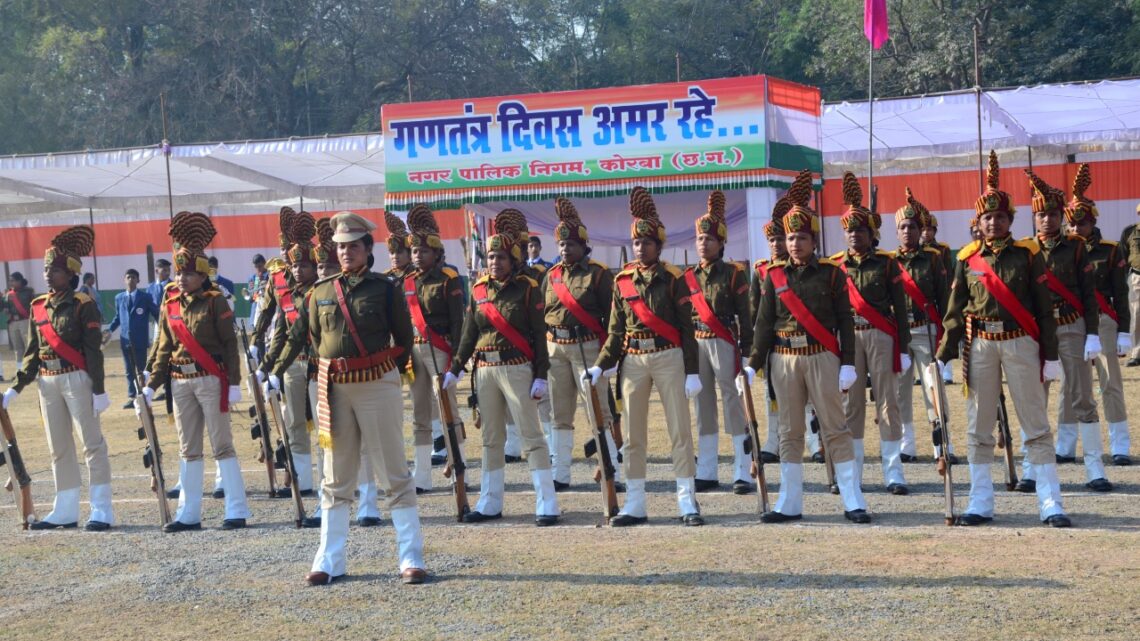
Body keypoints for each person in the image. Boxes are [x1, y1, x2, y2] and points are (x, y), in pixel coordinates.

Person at [282, 210, 425, 585]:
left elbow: (404, 340)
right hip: (335, 387)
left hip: (377, 382)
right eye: (341, 247)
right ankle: (329, 560)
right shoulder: (322, 291)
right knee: (335, 477)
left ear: (367, 249)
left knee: (394, 471)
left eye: (353, 246)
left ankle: (410, 557)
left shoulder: (385, 289)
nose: (346, 253)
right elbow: (314, 339)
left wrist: (383, 369)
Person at [936, 151, 1070, 528]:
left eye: (1000, 216)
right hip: (979, 345)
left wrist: (1051, 353)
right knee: (978, 426)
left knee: (1035, 423)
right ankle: (981, 501)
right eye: (986, 217)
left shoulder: (1028, 255)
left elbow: (1044, 308)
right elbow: (954, 310)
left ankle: (1049, 502)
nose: (993, 222)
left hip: (1021, 343)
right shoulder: (965, 258)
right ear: (977, 223)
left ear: (1010, 220)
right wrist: (944, 355)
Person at [745, 169, 870, 524]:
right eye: (790, 237)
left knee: (835, 427)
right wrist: (754, 362)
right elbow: (765, 323)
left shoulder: (832, 273)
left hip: (821, 356)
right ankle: (790, 502)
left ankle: (852, 499)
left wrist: (848, 362)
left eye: (801, 237)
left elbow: (845, 320)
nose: (795, 243)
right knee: (789, 431)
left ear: (813, 240)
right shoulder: (773, 275)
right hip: (784, 359)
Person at [587, 187, 704, 527]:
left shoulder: (673, 278)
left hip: (669, 356)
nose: (641, 247)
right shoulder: (621, 281)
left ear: (659, 245)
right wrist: (600, 365)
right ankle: (635, 503)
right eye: (637, 243)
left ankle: (687, 502)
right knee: (634, 434)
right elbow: (615, 332)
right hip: (633, 360)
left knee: (679, 431)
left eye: (647, 242)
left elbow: (687, 328)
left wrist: (692, 371)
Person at [443, 208, 560, 526]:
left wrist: (540, 375)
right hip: (485, 371)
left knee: (532, 436)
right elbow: (469, 333)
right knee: (491, 438)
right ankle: (490, 501)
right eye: (491, 256)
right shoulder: (478, 289)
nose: (495, 262)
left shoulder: (527, 288)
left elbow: (539, 334)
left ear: (513, 259)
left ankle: (546, 502)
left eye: (501, 257)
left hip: (518, 367)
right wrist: (455, 368)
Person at [143, 211, 250, 532]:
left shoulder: (216, 301)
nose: (181, 279)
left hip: (210, 380)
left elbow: (230, 345)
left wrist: (234, 382)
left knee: (222, 445)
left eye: (188, 273)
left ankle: (236, 509)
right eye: (178, 273)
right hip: (179, 382)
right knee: (188, 448)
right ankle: (188, 514)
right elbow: (162, 346)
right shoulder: (169, 303)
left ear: (202, 275)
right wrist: (151, 385)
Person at [2, 226, 114, 531]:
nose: (48, 275)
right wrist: (17, 387)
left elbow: (93, 351)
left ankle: (102, 509)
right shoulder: (38, 306)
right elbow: (32, 353)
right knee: (58, 447)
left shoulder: (82, 304)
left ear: (71, 273)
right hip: (47, 383)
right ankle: (64, 509)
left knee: (92, 444)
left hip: (77, 378)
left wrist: (99, 389)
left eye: (55, 270)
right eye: (46, 269)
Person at [1018, 169, 1105, 492]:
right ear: (1034, 216)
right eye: (1041, 214)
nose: (1047, 220)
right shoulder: (1024, 251)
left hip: (1071, 326)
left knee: (1082, 396)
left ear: (1060, 215)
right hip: (1037, 332)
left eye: (1053, 214)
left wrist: (1093, 333)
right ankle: (1032, 467)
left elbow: (1088, 294)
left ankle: (1094, 467)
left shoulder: (1077, 248)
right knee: (1033, 399)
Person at [830, 172, 912, 495]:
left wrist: (903, 347)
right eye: (849, 230)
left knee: (888, 404)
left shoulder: (887, 264)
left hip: (881, 336)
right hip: (849, 340)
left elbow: (901, 310)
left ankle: (894, 473)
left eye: (859, 230)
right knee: (852, 407)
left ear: (871, 233)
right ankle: (854, 473)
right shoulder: (837, 266)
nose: (853, 236)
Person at [541, 197, 618, 490]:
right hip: (555, 348)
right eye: (561, 244)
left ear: (584, 246)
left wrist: (610, 360)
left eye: (570, 244)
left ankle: (611, 469)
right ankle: (560, 474)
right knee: (559, 413)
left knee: (598, 410)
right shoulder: (551, 276)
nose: (564, 249)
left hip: (588, 348)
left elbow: (612, 319)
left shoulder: (597, 273)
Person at [687, 190, 754, 494]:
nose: (703, 243)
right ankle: (707, 470)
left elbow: (746, 314)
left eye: (709, 239)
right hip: (697, 340)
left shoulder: (734, 274)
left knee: (733, 403)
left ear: (722, 243)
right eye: (700, 238)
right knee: (702, 404)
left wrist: (749, 353)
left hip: (725, 340)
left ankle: (743, 470)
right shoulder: (688, 276)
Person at [1065, 167, 1132, 468]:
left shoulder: (1110, 250)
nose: (1078, 227)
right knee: (1071, 384)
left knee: (1110, 383)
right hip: (1071, 321)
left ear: (1093, 221)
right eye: (1073, 223)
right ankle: (1065, 445)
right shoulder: (1063, 252)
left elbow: (1121, 293)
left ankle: (1120, 445)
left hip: (1104, 322)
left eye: (1083, 222)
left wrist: (1125, 331)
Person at [258, 211, 320, 509]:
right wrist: (266, 368)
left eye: (303, 265)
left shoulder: (323, 292)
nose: (296, 270)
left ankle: (328, 481)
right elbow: (280, 334)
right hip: (293, 366)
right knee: (294, 422)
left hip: (318, 366)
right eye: (294, 265)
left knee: (325, 425)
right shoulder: (288, 294)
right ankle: (303, 480)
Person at [402, 204, 465, 493]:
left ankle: (458, 464)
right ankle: (422, 474)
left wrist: (457, 362)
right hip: (415, 350)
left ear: (436, 253)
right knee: (420, 411)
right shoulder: (408, 282)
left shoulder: (448, 278)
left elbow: (457, 321)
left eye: (423, 251)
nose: (417, 255)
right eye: (414, 251)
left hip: (440, 349)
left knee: (447, 409)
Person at [891, 189, 950, 463]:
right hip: (899, 335)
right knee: (900, 392)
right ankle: (907, 446)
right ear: (897, 230)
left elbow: (944, 298)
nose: (907, 231)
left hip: (926, 331)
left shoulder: (934, 258)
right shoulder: (889, 262)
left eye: (912, 226)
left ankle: (941, 444)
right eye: (903, 226)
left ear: (920, 229)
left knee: (933, 388)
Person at [749, 202, 792, 464]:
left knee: (807, 396)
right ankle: (772, 443)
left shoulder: (798, 266)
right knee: (771, 395)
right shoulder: (761, 270)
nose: (776, 244)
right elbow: (754, 311)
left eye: (780, 239)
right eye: (772, 240)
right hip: (772, 342)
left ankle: (814, 442)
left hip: (800, 340)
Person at [103, 269, 159, 407]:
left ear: (138, 280)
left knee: (141, 369)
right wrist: (109, 329)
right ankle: (132, 396)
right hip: (125, 339)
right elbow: (117, 317)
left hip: (140, 339)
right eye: (128, 277)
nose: (131, 280)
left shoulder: (145, 297)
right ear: (124, 279)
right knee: (129, 370)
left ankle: (142, 396)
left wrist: (164, 327)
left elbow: (156, 314)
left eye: (134, 277)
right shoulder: (119, 297)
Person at [921, 216, 955, 384]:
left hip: (941, 296)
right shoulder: (917, 249)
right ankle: (924, 372)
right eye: (924, 229)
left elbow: (948, 273)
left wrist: (947, 297)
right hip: (924, 299)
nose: (926, 233)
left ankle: (947, 372)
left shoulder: (943, 249)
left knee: (944, 332)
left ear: (935, 231)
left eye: (930, 229)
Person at [4, 273, 34, 382]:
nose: (10, 283)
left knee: (29, 347)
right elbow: (5, 308)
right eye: (10, 281)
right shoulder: (9, 294)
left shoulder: (29, 291)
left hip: (25, 321)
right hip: (13, 323)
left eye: (13, 280)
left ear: (20, 281)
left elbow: (33, 306)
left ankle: (32, 371)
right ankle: (19, 372)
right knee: (18, 349)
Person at [1123, 203, 1140, 368]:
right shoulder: (1130, 232)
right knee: (1136, 316)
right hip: (1137, 278)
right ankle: (1136, 354)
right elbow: (1123, 255)